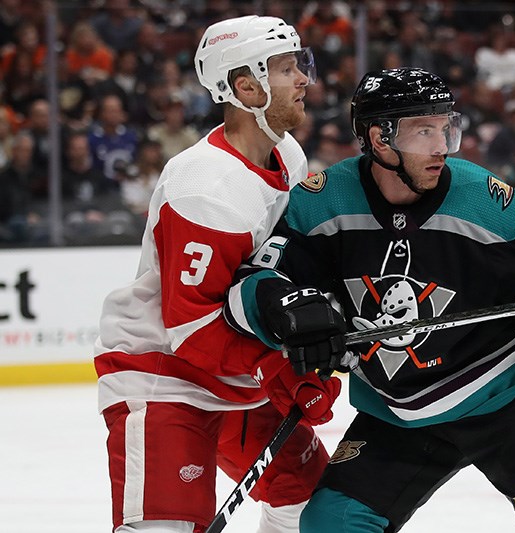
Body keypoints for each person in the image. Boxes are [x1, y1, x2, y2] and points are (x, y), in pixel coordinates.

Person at [224, 68, 515, 533]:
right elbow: (253, 281)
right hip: (400, 413)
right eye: (424, 131)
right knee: (332, 524)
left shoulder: (481, 201)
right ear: (379, 138)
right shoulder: (322, 203)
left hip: (512, 400)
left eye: (445, 128)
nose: (441, 146)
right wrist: (287, 310)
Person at [93, 15, 351, 533]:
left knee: (312, 504)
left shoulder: (287, 154)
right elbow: (191, 328)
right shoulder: (206, 189)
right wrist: (286, 371)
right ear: (246, 86)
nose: (304, 78)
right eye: (286, 68)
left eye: (300, 65)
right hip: (167, 375)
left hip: (236, 374)